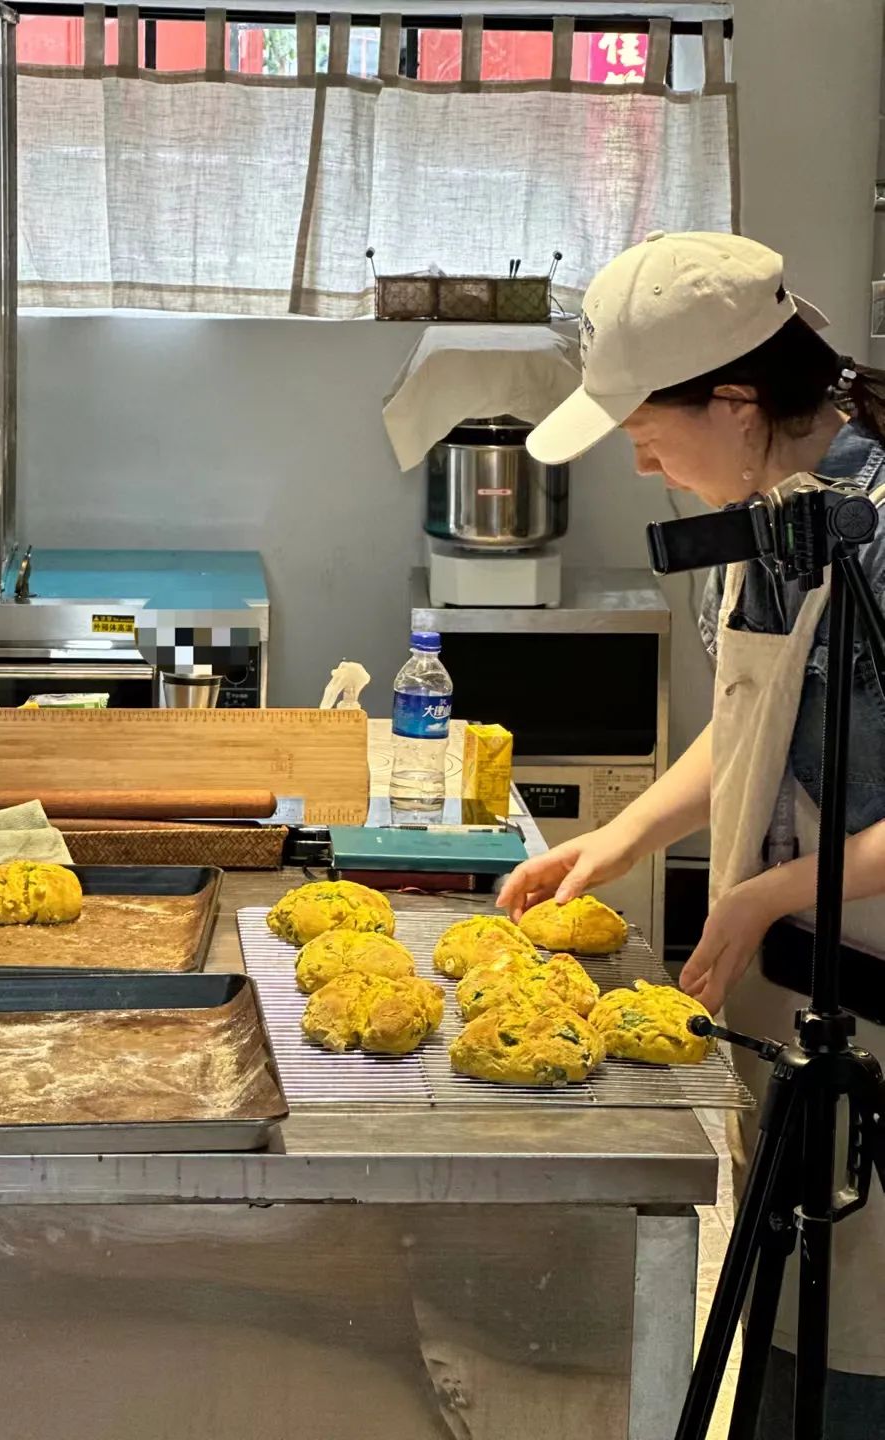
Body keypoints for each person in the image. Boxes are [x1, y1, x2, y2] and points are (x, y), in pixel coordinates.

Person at [497, 231, 885, 1438]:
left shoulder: (873, 532)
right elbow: (751, 719)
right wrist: (620, 841)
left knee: (862, 1340)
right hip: (796, 976)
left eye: (643, 425)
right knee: (782, 1320)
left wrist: (765, 894)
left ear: (733, 399)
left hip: (869, 980)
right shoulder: (769, 515)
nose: (638, 456)